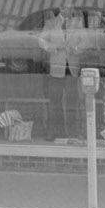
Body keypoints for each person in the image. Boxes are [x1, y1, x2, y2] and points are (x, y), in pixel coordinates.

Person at [38, 8, 70, 138]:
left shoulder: (77, 23)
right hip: (57, 67)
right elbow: (41, 40)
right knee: (55, 101)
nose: (70, 10)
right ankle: (54, 132)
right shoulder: (52, 23)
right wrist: (54, 48)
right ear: (62, 9)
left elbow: (86, 40)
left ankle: (71, 133)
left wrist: (78, 49)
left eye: (72, 8)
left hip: (73, 69)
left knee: (72, 103)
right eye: (67, 7)